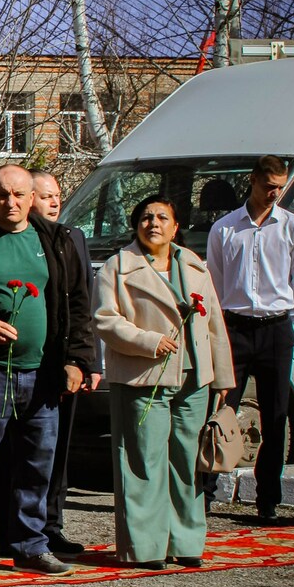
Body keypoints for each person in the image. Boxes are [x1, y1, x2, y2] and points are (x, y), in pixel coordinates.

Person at [0, 164, 96, 578]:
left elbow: (78, 303)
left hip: (43, 373)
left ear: (32, 198)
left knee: (37, 464)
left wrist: (77, 359)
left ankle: (31, 544)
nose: (9, 203)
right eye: (1, 195)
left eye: (17, 195)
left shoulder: (57, 241)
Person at [95, 195, 233, 567]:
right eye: (145, 217)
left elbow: (214, 323)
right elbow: (105, 319)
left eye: (161, 217)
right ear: (136, 225)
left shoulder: (194, 265)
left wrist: (222, 376)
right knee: (143, 462)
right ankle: (145, 547)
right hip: (143, 376)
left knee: (187, 462)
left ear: (175, 227)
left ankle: (185, 542)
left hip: (194, 377)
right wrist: (147, 341)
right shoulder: (117, 267)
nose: (153, 223)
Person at [206, 155, 294, 524]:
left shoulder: (290, 226)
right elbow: (214, 284)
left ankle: (267, 501)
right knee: (220, 411)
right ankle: (205, 493)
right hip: (235, 329)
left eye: (280, 187)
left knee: (275, 417)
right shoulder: (225, 228)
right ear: (253, 180)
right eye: (269, 186)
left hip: (276, 328)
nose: (274, 193)